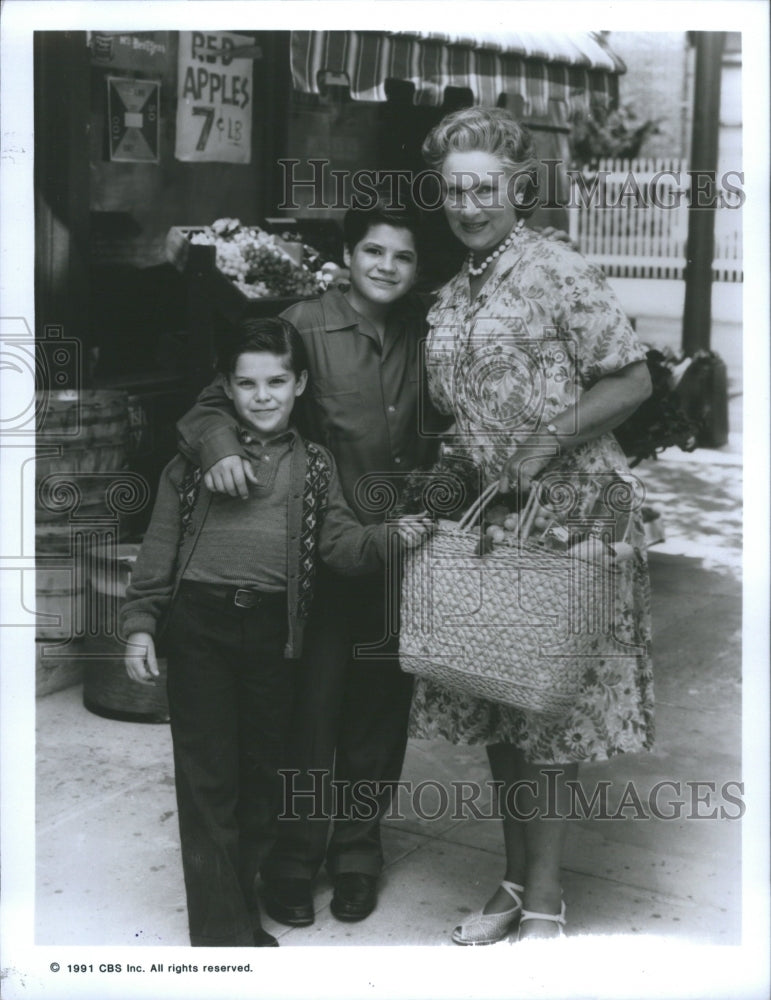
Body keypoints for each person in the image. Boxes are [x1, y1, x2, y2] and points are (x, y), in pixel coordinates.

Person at [407, 106, 655, 943]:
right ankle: (512, 882)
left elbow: (632, 382)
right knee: (500, 696)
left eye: (485, 187)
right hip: (493, 523)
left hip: (574, 518)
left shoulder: (553, 269)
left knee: (548, 713)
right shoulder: (454, 291)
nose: (469, 204)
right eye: (455, 191)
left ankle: (545, 898)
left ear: (517, 187)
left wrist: (543, 446)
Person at [175, 199, 447, 927]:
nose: (387, 267)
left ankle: (357, 853)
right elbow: (209, 405)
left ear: (417, 268)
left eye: (403, 256)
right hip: (315, 563)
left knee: (377, 716)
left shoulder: (431, 331)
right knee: (307, 715)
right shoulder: (302, 322)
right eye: (373, 252)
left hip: (395, 555)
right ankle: (291, 860)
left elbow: (448, 431)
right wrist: (221, 447)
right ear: (347, 256)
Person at [121, 317, 431, 948]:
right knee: (208, 778)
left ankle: (241, 904)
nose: (262, 395)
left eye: (276, 382)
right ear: (228, 390)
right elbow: (158, 552)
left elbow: (340, 544)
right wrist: (140, 626)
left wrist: (389, 537)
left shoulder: (315, 467)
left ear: (300, 384)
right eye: (247, 383)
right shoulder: (195, 463)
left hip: (274, 635)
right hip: (200, 628)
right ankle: (223, 933)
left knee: (262, 777)